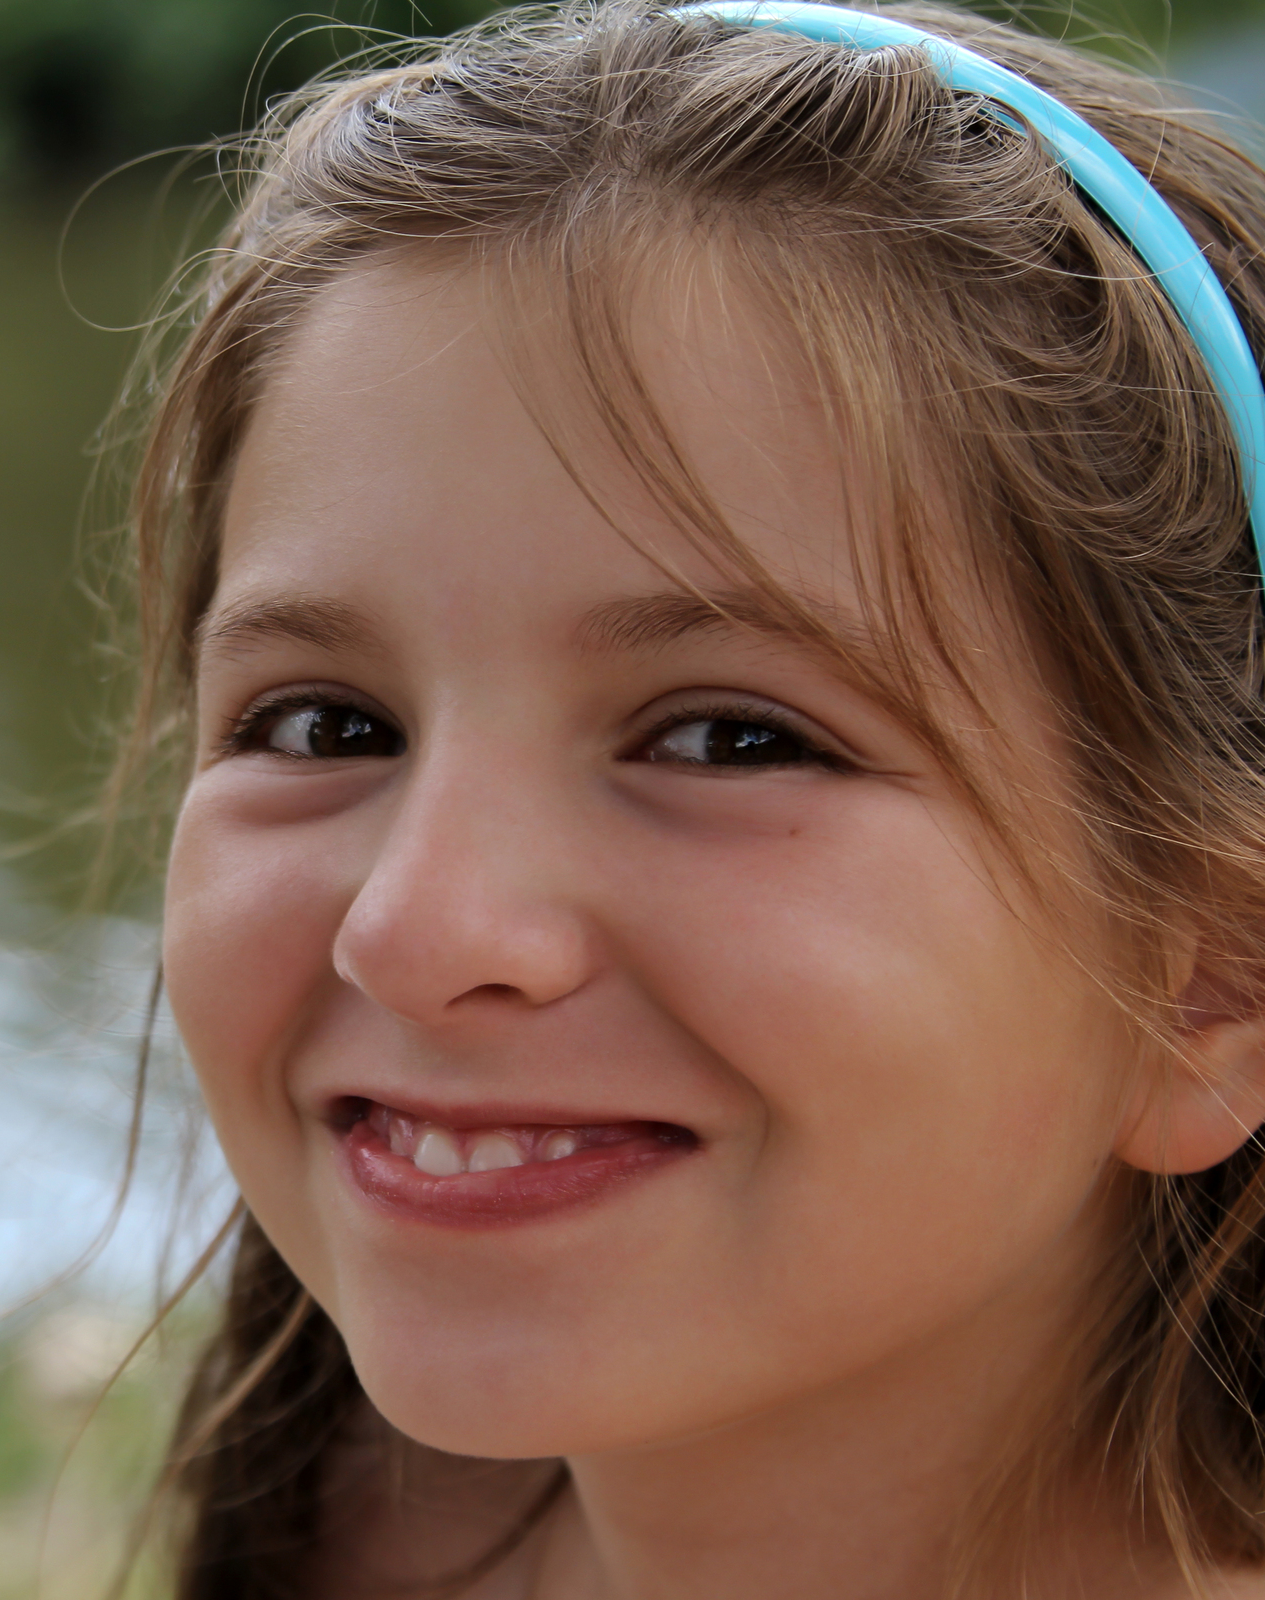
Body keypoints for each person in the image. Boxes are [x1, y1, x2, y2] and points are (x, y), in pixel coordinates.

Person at [103, 1, 1265, 1592]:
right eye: (324, 725)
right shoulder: (352, 1536)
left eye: (727, 740)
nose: (418, 931)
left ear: (1207, 978)